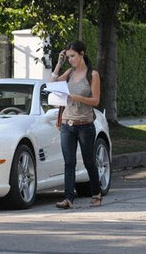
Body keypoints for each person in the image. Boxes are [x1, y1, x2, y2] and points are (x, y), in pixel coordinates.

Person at [50, 40, 102, 209]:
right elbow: (53, 84)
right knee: (69, 162)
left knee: (88, 161)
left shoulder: (92, 75)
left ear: (82, 54)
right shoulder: (70, 73)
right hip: (67, 123)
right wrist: (59, 64)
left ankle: (96, 193)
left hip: (85, 124)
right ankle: (68, 198)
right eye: (68, 57)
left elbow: (95, 100)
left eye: (73, 56)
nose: (70, 59)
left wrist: (78, 98)